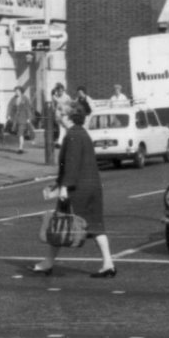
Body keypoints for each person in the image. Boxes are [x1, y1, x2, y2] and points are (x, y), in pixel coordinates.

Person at [32, 102, 115, 278]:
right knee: (95, 225)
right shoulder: (81, 132)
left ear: (67, 117)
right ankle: (108, 263)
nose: (56, 116)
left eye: (59, 113)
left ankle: (48, 262)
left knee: (59, 224)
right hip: (91, 187)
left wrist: (63, 188)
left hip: (78, 189)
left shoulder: (73, 136)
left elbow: (72, 164)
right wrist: (58, 185)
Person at [8, 87, 34, 154]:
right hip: (16, 119)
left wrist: (29, 118)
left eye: (18, 91)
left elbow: (28, 108)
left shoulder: (25, 99)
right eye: (16, 91)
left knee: (20, 133)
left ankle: (20, 148)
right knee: (19, 134)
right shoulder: (13, 99)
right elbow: (10, 107)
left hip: (23, 118)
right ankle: (20, 146)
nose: (16, 92)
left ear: (21, 92)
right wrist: (8, 115)